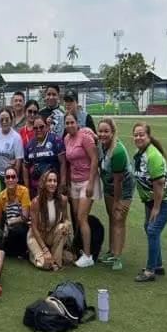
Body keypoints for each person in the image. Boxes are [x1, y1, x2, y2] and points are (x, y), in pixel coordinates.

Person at [132, 123, 167, 282]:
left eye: (141, 134)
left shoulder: (153, 156)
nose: (138, 137)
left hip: (165, 200)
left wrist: (157, 208)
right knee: (149, 228)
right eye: (135, 135)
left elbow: (159, 183)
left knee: (152, 230)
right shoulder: (140, 153)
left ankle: (150, 270)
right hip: (151, 200)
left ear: (148, 136)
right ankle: (158, 265)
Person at [96, 118, 134, 271]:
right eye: (100, 131)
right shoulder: (100, 144)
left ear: (113, 132)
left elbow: (119, 182)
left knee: (119, 219)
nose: (103, 134)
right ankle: (111, 252)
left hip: (123, 188)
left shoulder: (117, 152)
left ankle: (117, 257)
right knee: (112, 217)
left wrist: (118, 202)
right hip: (109, 186)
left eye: (106, 131)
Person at [64, 112, 100, 268]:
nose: (70, 125)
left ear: (77, 123)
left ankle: (87, 255)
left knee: (81, 216)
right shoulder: (66, 139)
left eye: (72, 122)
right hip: (74, 182)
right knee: (76, 216)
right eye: (67, 123)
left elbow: (94, 159)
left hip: (87, 181)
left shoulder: (85, 137)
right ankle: (80, 247)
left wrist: (91, 183)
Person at [26, 171, 72, 271]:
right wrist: (45, 249)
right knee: (45, 265)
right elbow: (34, 228)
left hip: (51, 234)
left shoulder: (63, 200)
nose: (52, 183)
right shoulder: (36, 202)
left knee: (62, 227)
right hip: (36, 236)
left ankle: (56, 262)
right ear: (44, 183)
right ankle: (36, 254)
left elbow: (66, 219)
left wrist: (67, 225)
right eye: (49, 181)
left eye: (55, 181)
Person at [23, 115, 67, 197]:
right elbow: (25, 166)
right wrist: (27, 186)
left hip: (53, 185)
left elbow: (63, 162)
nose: (38, 130)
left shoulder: (55, 140)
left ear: (46, 126)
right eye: (35, 128)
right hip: (36, 187)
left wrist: (63, 182)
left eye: (41, 127)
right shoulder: (29, 145)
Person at [0, 167, 31, 257]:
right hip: (9, 230)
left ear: (17, 179)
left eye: (13, 177)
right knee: (0, 245)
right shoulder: (1, 195)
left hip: (24, 227)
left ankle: (23, 251)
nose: (10, 179)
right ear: (4, 180)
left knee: (17, 229)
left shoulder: (24, 191)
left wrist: (9, 222)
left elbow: (25, 217)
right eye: (8, 177)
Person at [0, 107, 24, 180]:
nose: (4, 122)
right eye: (1, 119)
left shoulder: (16, 137)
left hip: (10, 176)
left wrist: (15, 178)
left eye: (7, 119)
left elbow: (18, 160)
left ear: (11, 120)